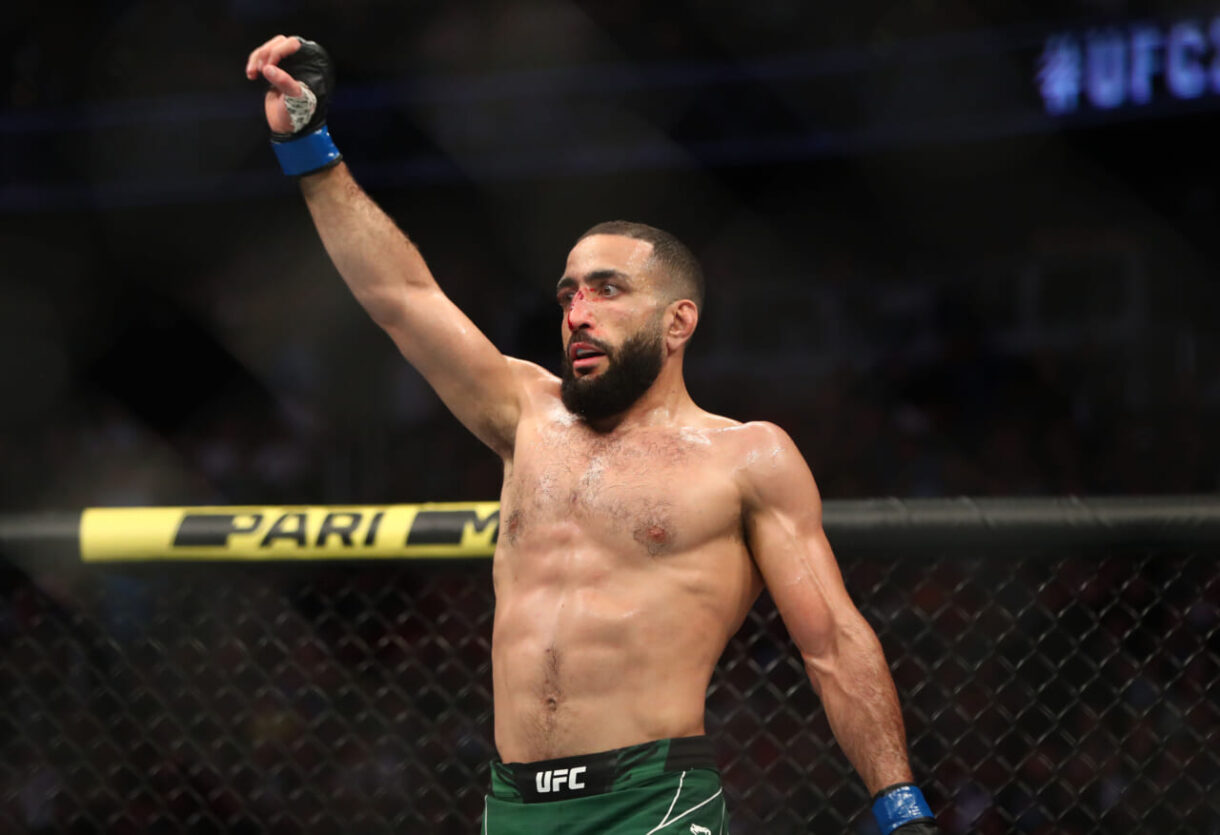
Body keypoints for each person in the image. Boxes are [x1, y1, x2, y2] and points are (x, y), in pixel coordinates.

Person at [245, 35, 942, 835]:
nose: (578, 312)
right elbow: (401, 296)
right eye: (569, 293)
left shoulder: (748, 457)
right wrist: (310, 147)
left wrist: (901, 807)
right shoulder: (525, 413)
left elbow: (833, 643)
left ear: (678, 321)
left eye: (608, 290)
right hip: (512, 805)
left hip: (653, 801)